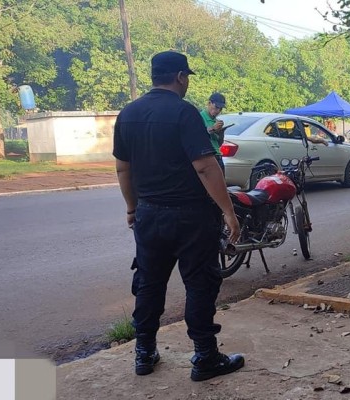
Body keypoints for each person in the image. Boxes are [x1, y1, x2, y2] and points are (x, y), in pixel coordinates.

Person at [113, 50, 245, 382]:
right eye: (187, 78)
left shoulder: (128, 114)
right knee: (200, 284)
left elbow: (122, 168)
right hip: (191, 218)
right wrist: (228, 212)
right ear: (181, 77)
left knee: (149, 284)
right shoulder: (184, 113)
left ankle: (144, 352)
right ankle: (205, 356)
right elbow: (205, 166)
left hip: (149, 216)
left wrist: (132, 208)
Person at [199, 93, 227, 174]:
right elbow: (198, 135)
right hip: (206, 156)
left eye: (220, 109)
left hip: (218, 155)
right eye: (216, 107)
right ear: (209, 103)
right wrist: (212, 128)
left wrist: (221, 132)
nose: (218, 111)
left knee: (220, 185)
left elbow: (218, 144)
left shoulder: (216, 121)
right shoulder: (199, 117)